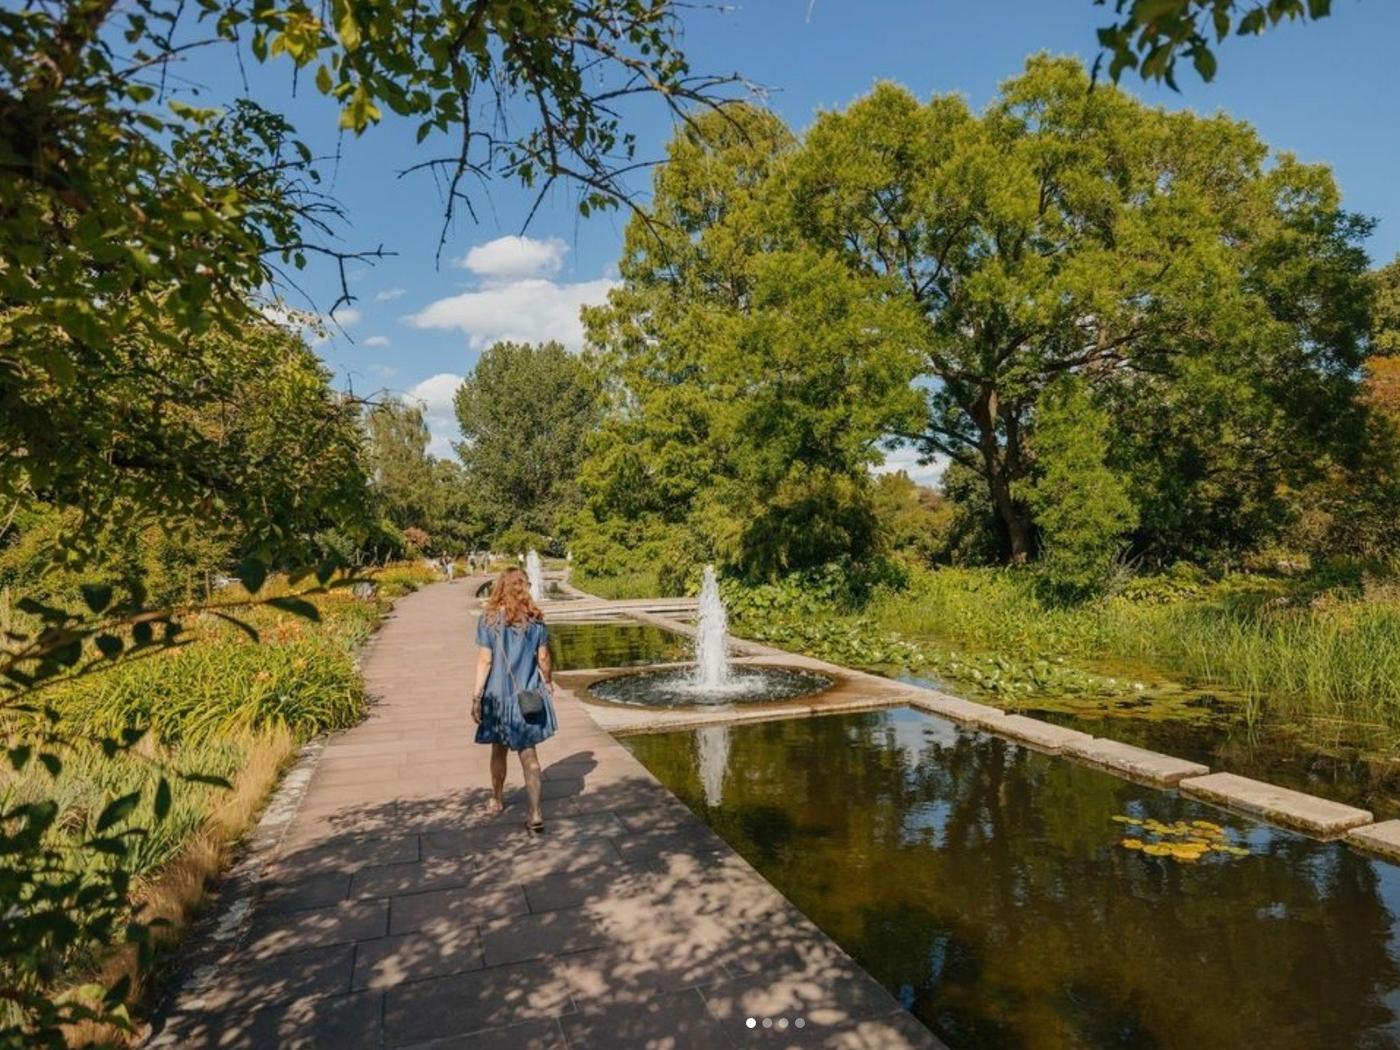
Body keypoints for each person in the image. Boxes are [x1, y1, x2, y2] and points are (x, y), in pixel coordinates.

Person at [471, 567, 558, 831]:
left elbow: (485, 660)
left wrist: (476, 697)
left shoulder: (488, 620)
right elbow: (543, 658)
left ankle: (497, 799)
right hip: (527, 696)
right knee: (529, 753)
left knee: (498, 749)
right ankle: (535, 812)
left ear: (500, 587)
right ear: (525, 587)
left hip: (497, 696)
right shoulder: (536, 620)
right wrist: (549, 680)